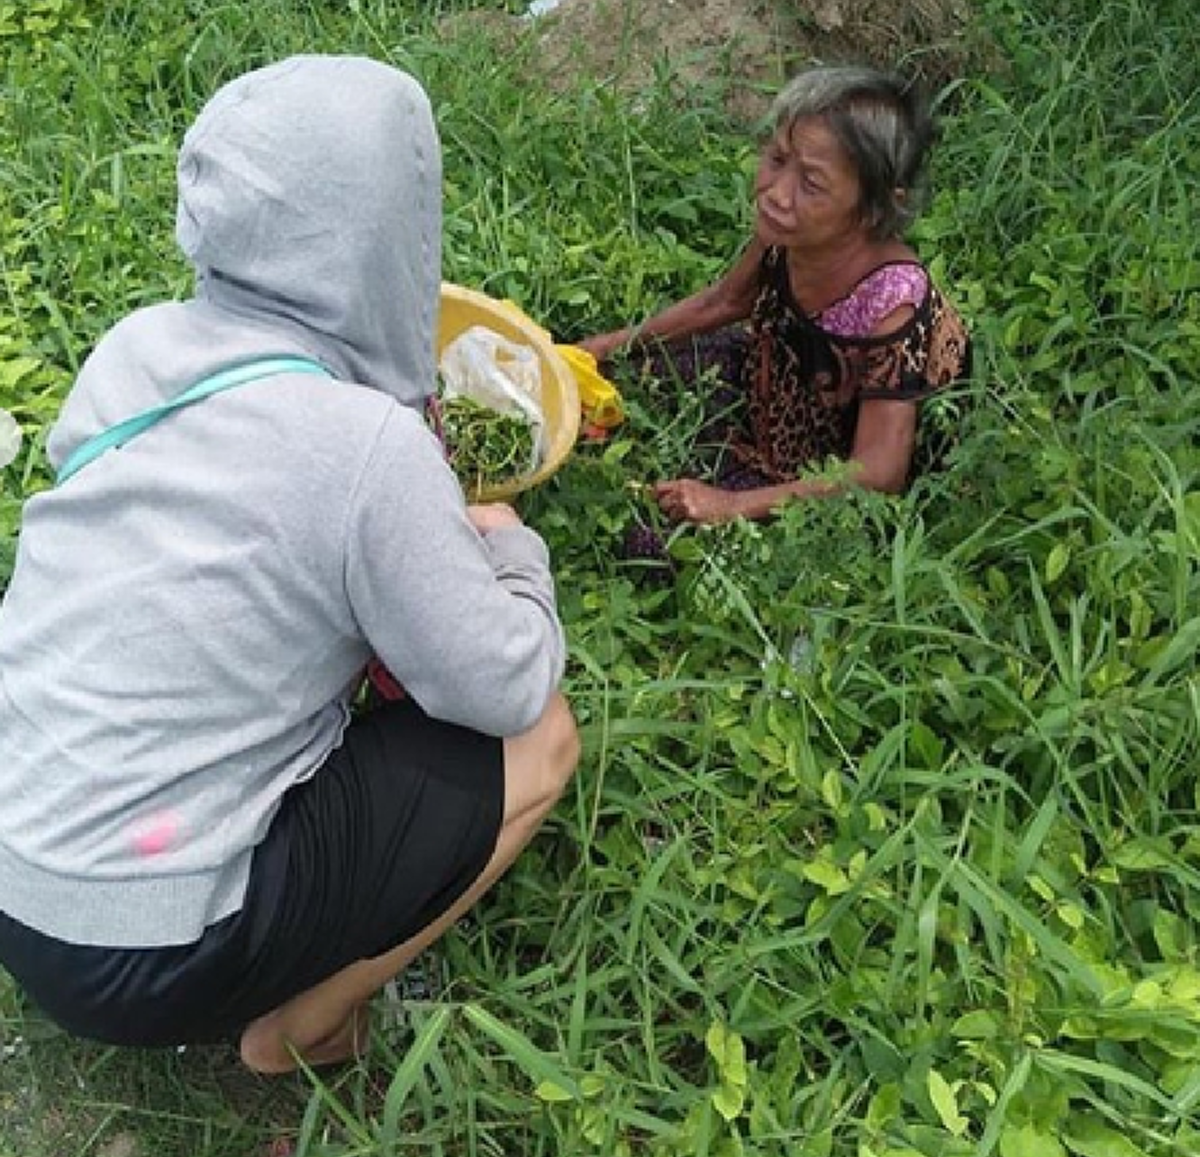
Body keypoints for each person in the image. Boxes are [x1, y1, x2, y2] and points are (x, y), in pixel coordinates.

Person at [0, 56, 578, 1074]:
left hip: (21, 879)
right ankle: (306, 1027)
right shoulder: (365, 447)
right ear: (389, 242)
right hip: (149, 942)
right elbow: (501, 681)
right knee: (542, 739)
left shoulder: (131, 352)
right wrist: (512, 549)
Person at [579, 65, 971, 524]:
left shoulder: (894, 305)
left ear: (874, 208)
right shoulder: (787, 232)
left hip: (829, 470)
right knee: (624, 375)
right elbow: (725, 302)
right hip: (775, 387)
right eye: (778, 159)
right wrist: (600, 349)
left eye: (812, 183)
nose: (777, 194)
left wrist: (730, 507)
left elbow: (881, 472)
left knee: (649, 527)